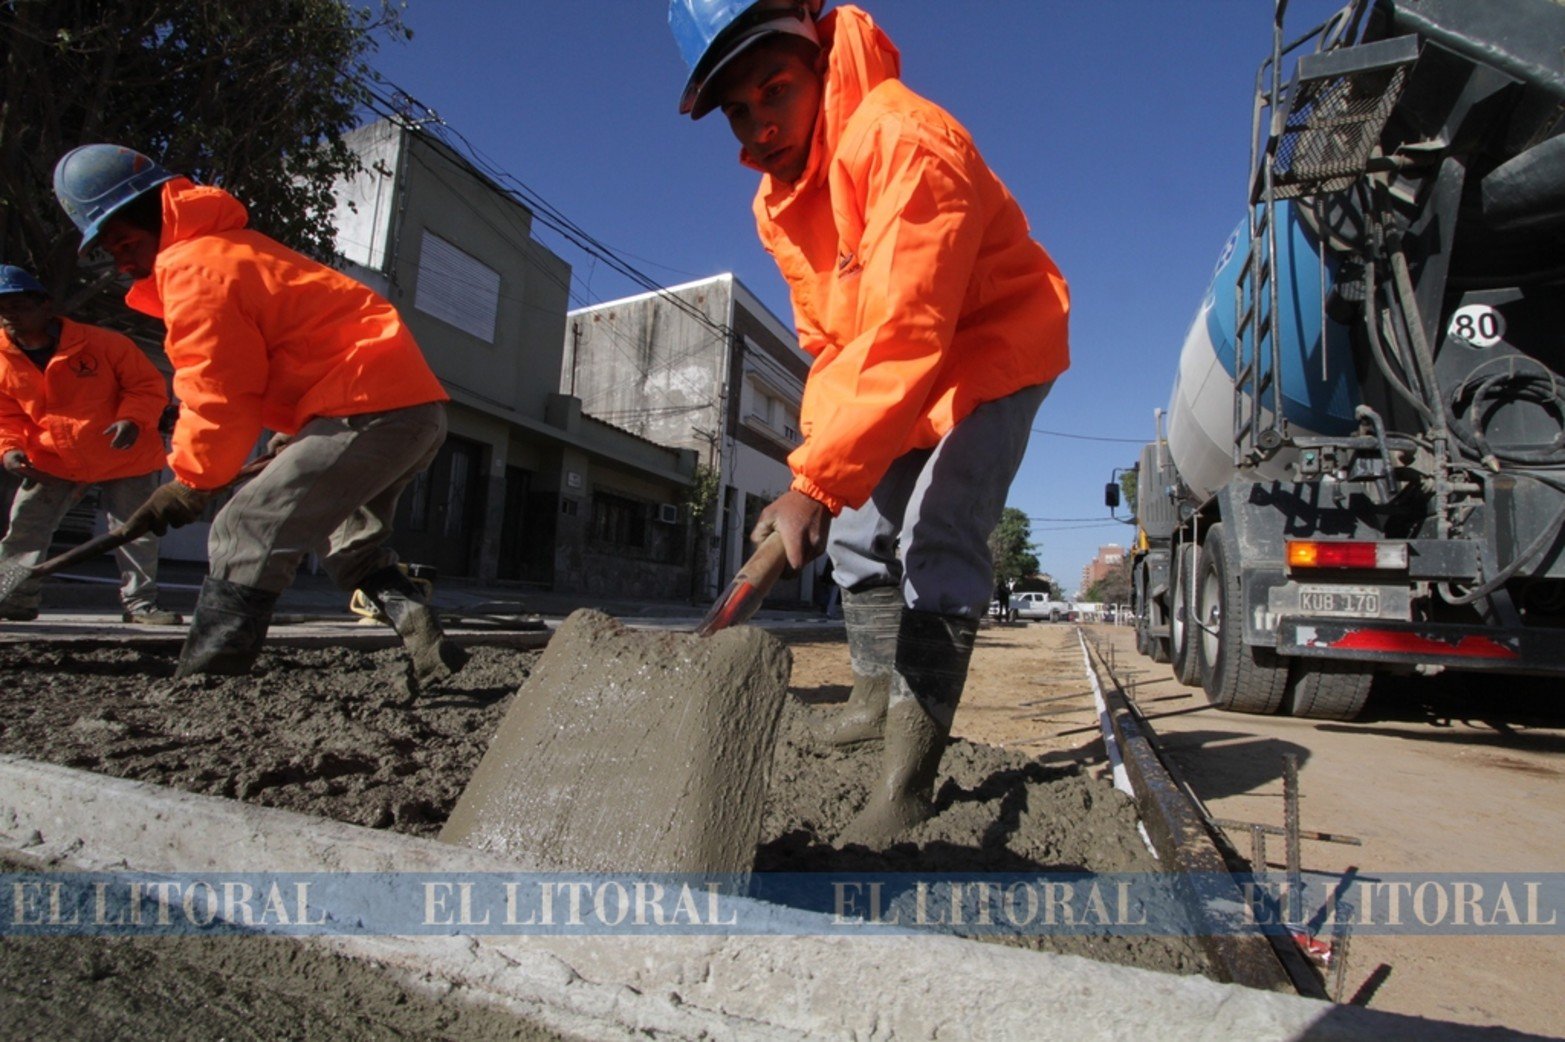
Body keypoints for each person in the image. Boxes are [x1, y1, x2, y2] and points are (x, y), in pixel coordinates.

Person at [670, 0, 1070, 843]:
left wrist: (817, 480)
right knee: (854, 538)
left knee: (937, 536)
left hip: (991, 346)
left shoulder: (902, 138)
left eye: (773, 90)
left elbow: (909, 326)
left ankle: (908, 779)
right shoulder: (779, 202)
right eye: (738, 111)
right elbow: (834, 344)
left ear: (817, 55)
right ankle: (864, 703)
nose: (758, 123)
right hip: (899, 363)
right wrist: (812, 477)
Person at [51, 144, 466, 692]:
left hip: (367, 408)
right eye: (110, 251)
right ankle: (424, 638)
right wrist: (288, 439)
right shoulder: (230, 250)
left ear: (162, 214)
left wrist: (192, 482)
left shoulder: (193, 268)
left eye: (127, 242)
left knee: (246, 525)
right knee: (348, 540)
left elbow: (216, 388)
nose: (124, 262)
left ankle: (208, 682)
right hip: (401, 408)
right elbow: (291, 359)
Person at [0, 264, 181, 625]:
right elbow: (6, 414)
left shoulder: (104, 344)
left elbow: (146, 387)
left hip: (124, 454)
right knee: (25, 529)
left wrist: (132, 419)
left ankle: (141, 605)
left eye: (18, 307)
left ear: (46, 307)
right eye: (3, 309)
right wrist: (8, 448)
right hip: (53, 458)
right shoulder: (2, 358)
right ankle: (12, 598)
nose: (9, 317)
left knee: (136, 531)